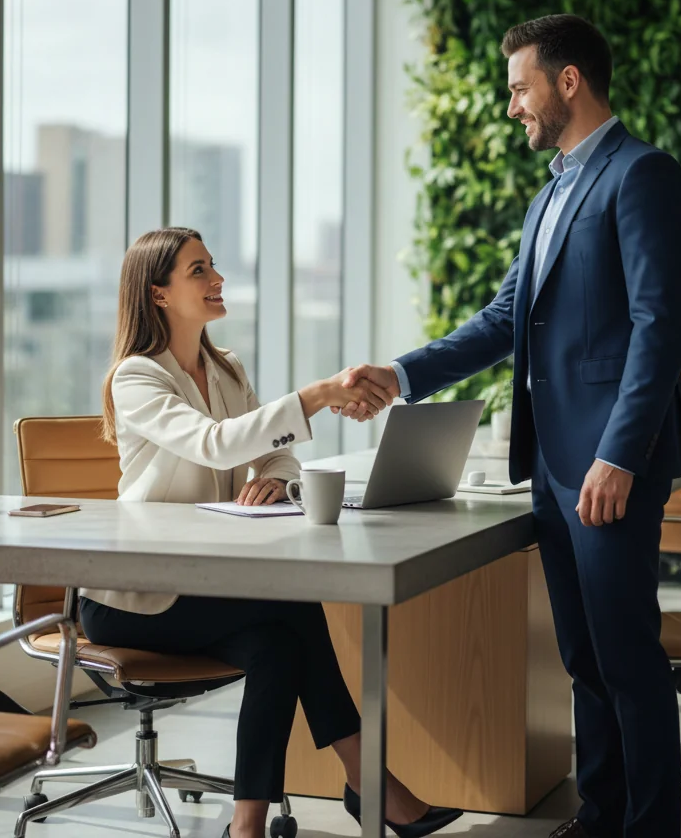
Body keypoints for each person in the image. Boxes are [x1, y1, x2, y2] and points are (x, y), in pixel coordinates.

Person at [338, 15, 681, 838]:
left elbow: (657, 329)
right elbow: (506, 317)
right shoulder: (550, 195)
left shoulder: (643, 175)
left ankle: (651, 830)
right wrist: (401, 375)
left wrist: (620, 453)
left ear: (567, 81)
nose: (513, 108)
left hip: (609, 464)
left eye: (518, 87)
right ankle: (601, 815)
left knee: (628, 661)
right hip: (552, 465)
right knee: (582, 661)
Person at [79, 227, 461, 838]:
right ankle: (368, 781)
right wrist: (314, 397)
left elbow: (274, 455)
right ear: (158, 293)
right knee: (293, 604)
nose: (216, 279)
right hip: (133, 594)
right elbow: (213, 443)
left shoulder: (225, 369)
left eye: (212, 266)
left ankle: (248, 826)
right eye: (198, 270)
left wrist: (278, 482)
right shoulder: (137, 378)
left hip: (208, 578)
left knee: (277, 647)